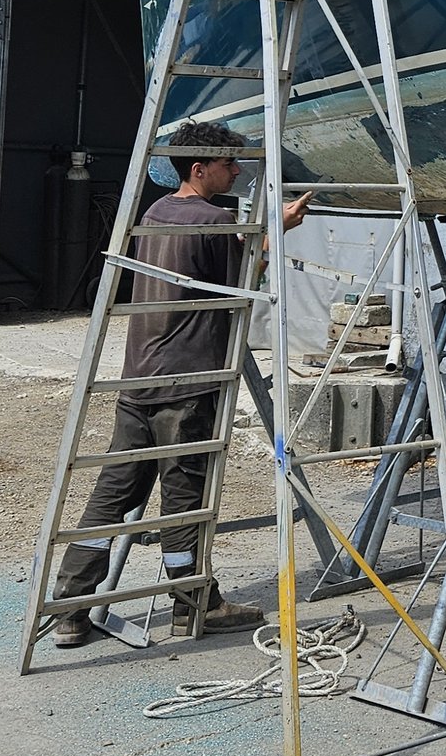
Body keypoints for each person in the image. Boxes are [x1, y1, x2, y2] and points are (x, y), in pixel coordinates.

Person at [50, 121, 312, 645]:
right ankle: (194, 606)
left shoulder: (156, 212)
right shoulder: (214, 219)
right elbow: (241, 286)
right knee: (184, 498)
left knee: (112, 494)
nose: (236, 172)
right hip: (188, 382)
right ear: (199, 169)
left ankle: (70, 608)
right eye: (228, 164)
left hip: (141, 376)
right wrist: (277, 228)